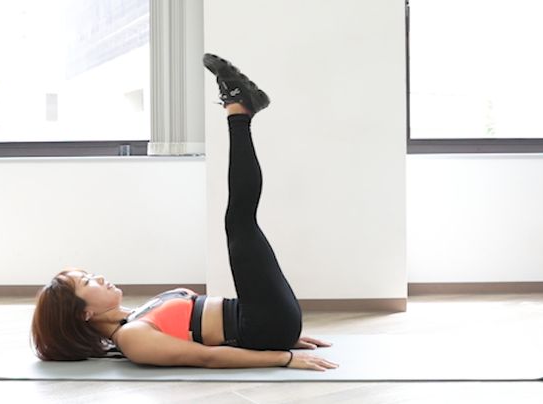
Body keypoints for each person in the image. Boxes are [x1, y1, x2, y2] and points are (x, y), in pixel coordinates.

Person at [31, 54, 339, 372]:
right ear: (84, 313)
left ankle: (240, 109)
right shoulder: (132, 337)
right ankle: (238, 110)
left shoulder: (136, 316)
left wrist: (283, 338)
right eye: (87, 282)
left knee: (240, 220)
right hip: (263, 325)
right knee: (239, 221)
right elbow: (205, 357)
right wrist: (282, 356)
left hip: (263, 322)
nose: (98, 277)